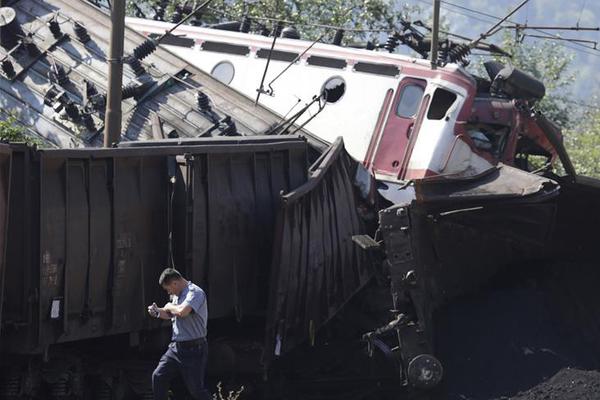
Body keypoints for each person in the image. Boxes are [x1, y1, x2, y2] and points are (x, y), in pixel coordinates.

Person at [148, 268, 209, 400]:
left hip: (194, 349)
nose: (169, 292)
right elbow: (170, 313)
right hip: (176, 348)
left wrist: (169, 306)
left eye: (168, 289)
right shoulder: (176, 296)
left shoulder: (195, 293)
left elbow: (182, 312)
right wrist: (158, 312)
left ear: (175, 283)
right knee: (158, 376)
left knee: (197, 391)